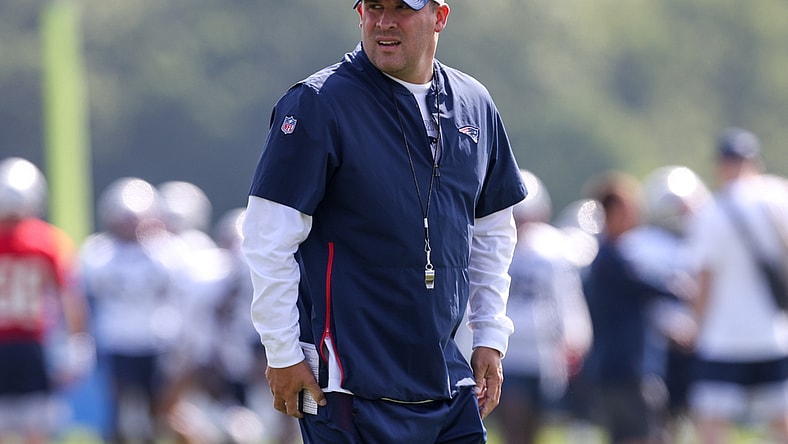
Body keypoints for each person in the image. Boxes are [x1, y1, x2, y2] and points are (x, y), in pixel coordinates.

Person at [241, 0, 527, 442]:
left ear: (440, 17)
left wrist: (489, 334)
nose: (384, 21)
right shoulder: (318, 103)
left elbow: (492, 230)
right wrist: (281, 353)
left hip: (450, 386)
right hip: (348, 389)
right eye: (373, 6)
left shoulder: (475, 104)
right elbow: (267, 239)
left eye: (402, 8)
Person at [686, 128, 788, 443]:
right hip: (773, 333)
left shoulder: (713, 210)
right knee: (782, 421)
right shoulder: (778, 196)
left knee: (713, 425)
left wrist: (696, 326)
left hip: (723, 337)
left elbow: (705, 279)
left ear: (722, 164)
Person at [580, 171, 683, 444]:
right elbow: (660, 288)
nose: (636, 217)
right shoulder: (614, 263)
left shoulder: (603, 260)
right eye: (630, 210)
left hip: (612, 368)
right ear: (613, 213)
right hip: (630, 370)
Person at [490, 169, 592, 444]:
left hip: (543, 354)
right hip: (507, 352)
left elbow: (565, 297)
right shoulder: (494, 250)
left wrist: (575, 337)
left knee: (535, 427)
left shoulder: (550, 251)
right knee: (514, 422)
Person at [0, 157, 93, 444]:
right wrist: (78, 342)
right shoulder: (48, 240)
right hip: (31, 345)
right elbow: (70, 298)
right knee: (36, 428)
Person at [80, 177, 173, 444]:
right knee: (117, 409)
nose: (130, 225)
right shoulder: (98, 252)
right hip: (115, 339)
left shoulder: (162, 251)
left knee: (156, 411)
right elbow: (90, 293)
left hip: (153, 339)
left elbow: (172, 286)